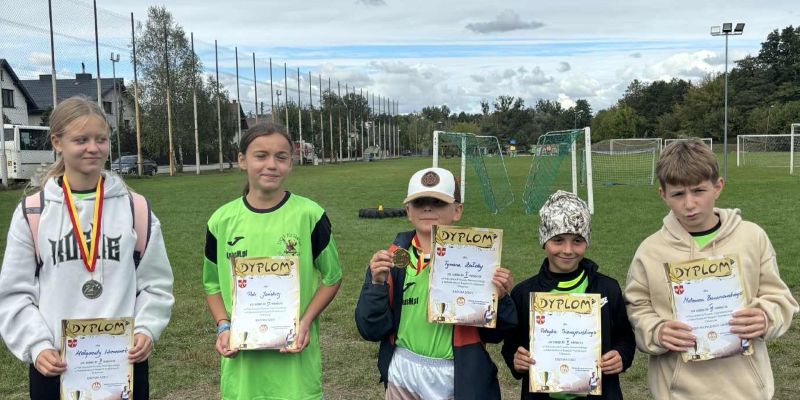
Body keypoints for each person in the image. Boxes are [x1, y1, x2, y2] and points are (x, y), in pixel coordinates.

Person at [0, 96, 175, 399]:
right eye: (81, 139)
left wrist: (146, 329)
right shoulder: (33, 211)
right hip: (56, 364)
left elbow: (156, 283)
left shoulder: (136, 209)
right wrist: (37, 345)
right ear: (57, 142)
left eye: (101, 139)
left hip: (123, 363)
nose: (93, 148)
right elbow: (14, 292)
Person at [624, 139, 799, 399]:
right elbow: (636, 307)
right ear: (663, 194)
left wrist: (766, 317)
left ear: (718, 187)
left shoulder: (752, 237)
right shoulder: (650, 251)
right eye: (678, 194)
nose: (690, 203)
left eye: (698, 191)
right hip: (676, 392)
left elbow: (780, 298)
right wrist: (656, 331)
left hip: (745, 389)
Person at [203, 122, 342, 399]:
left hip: (295, 367)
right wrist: (223, 326)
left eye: (281, 157)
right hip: (243, 371)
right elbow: (211, 285)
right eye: (261, 156)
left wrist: (305, 322)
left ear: (291, 163)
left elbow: (332, 278)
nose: (271, 165)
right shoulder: (221, 220)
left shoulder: (310, 215)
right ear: (242, 160)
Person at [355, 167, 517, 399]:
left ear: (457, 210)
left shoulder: (478, 260)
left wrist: (500, 298)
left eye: (438, 202)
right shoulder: (389, 260)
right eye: (420, 202)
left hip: (458, 375)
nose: (428, 208)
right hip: (403, 371)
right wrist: (377, 285)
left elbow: (496, 334)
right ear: (408, 210)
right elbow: (371, 329)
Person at [501, 190, 635, 400]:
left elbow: (626, 337)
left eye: (577, 241)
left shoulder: (607, 288)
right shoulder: (524, 293)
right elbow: (511, 345)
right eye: (558, 240)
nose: (568, 250)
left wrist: (621, 356)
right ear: (544, 240)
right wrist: (516, 360)